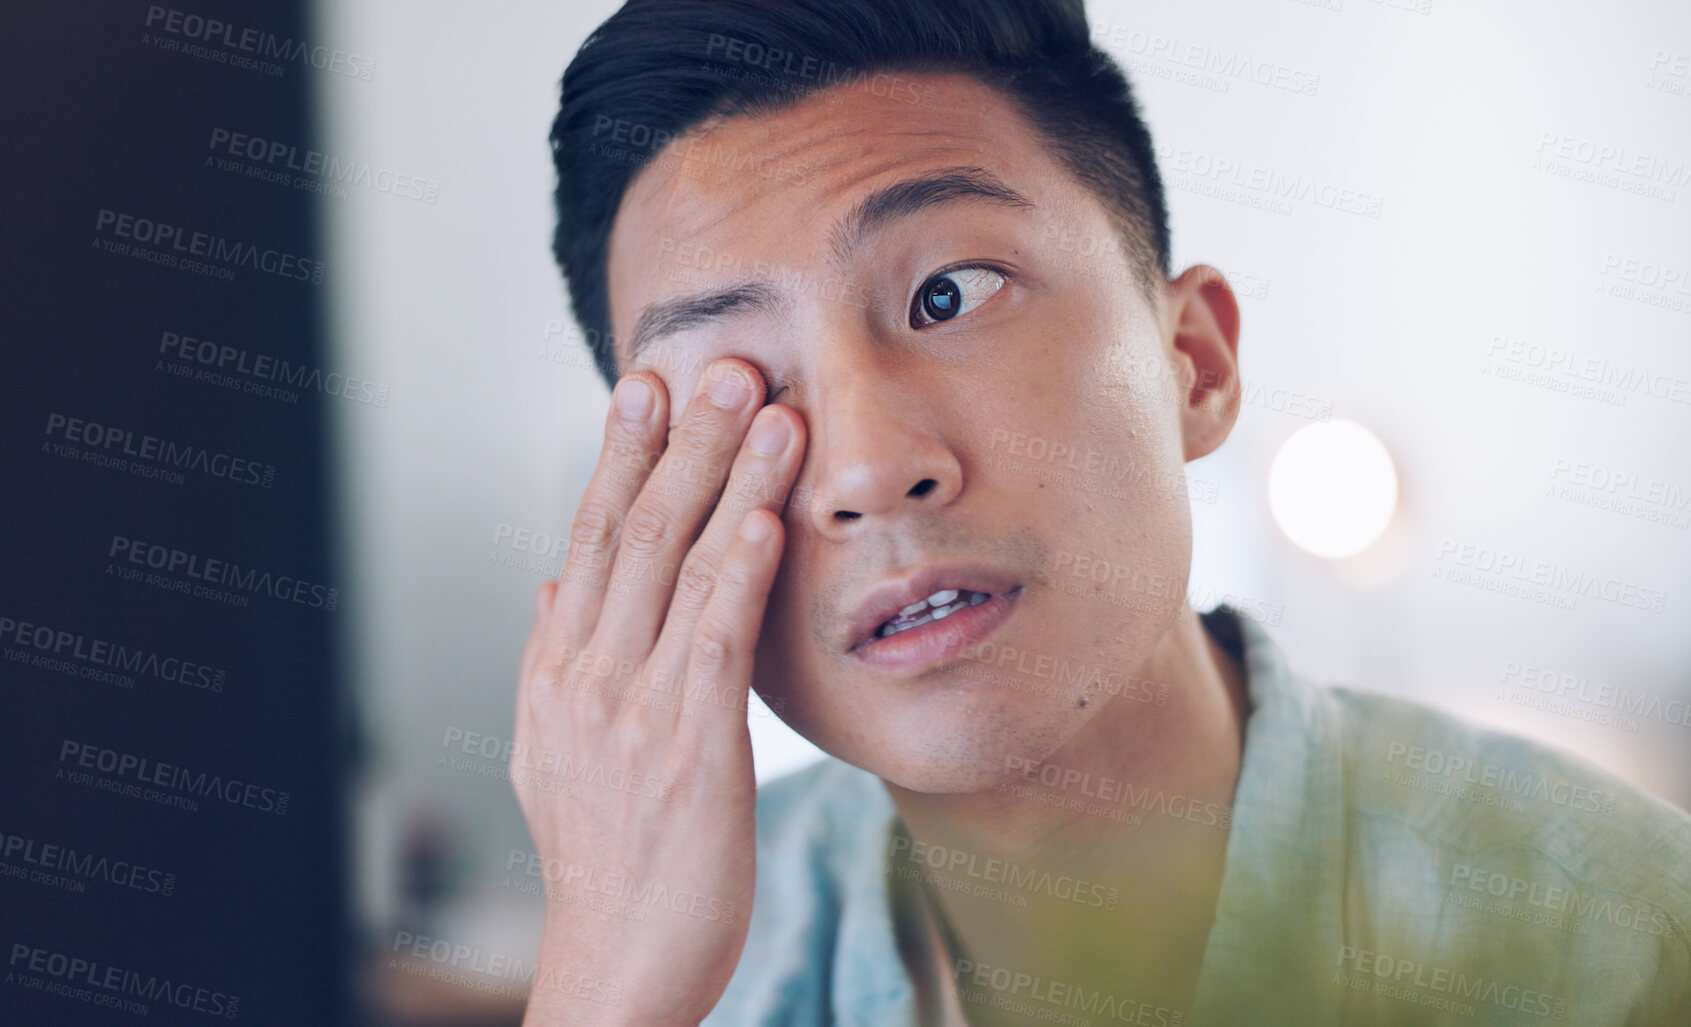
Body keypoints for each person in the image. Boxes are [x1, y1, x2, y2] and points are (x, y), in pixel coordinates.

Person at [508, 1, 1691, 1023]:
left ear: (1196, 362)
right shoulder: (683, 977)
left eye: (947, 294)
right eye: (741, 391)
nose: (866, 471)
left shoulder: (1616, 936)